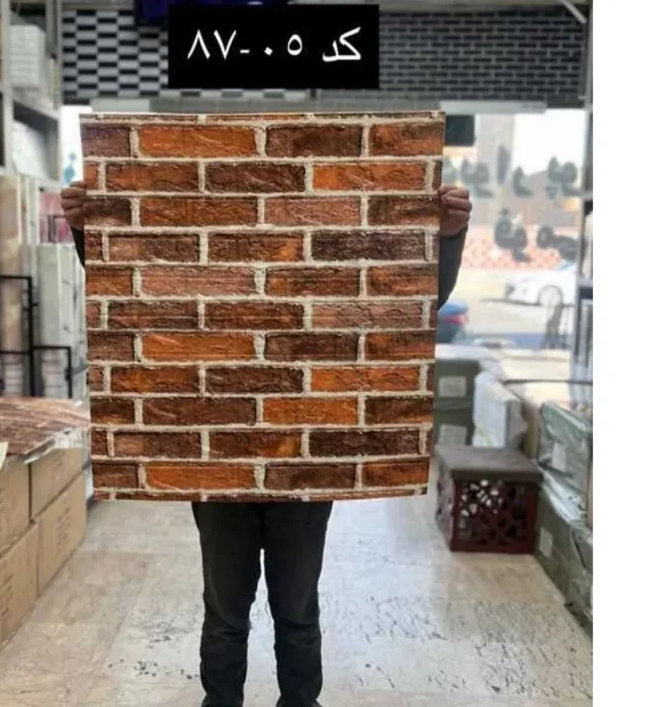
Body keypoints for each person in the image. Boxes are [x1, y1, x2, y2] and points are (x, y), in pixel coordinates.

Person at [62, 181, 471, 707]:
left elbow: (403, 298)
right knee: (227, 615)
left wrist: (447, 237)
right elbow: (139, 287)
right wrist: (88, 230)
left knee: (293, 612)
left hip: (302, 464)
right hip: (221, 462)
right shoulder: (208, 257)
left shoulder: (327, 257)